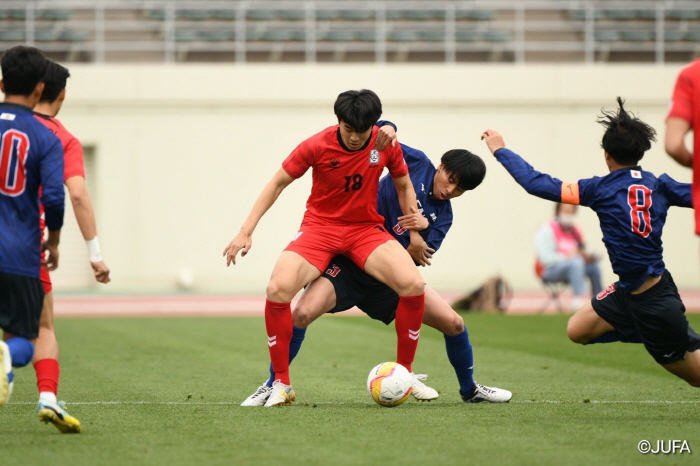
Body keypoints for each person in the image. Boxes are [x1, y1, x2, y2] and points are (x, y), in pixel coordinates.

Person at [241, 139, 512, 406]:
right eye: (450, 179)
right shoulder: (416, 162)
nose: (449, 189)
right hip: (348, 268)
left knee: (454, 324)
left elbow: (417, 258)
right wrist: (390, 127)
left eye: (459, 189)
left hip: (388, 280)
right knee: (301, 313)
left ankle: (468, 389)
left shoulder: (444, 217)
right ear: (440, 167)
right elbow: (378, 136)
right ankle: (273, 384)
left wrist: (423, 229)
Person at [224, 89, 429, 407]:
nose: (356, 139)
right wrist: (245, 231)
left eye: (362, 133)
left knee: (413, 284)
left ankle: (405, 373)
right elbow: (277, 183)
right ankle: (280, 384)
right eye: (349, 131)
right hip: (320, 229)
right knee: (278, 288)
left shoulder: (384, 143)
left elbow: (403, 183)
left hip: (365, 230)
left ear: (372, 127)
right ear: (339, 122)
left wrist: (415, 235)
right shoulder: (316, 145)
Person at [482, 97, 700, 388]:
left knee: (696, 378)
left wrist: (500, 150)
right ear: (641, 153)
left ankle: (666, 333)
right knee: (577, 329)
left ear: (607, 155)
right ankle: (657, 330)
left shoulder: (598, 188)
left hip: (655, 302)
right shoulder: (660, 185)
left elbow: (537, 183)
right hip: (629, 291)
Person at [29, 61, 111, 433]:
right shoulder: (60, 138)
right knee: (42, 326)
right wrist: (94, 255)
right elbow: (76, 195)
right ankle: (47, 397)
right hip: (26, 245)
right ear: (60, 93)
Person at [0, 46, 65, 407]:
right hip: (18, 253)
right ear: (41, 89)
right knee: (27, 338)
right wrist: (53, 241)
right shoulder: (44, 137)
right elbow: (54, 198)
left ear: (1, 83)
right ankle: (5, 356)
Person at [535, 202, 602, 310]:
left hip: (575, 269)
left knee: (594, 266)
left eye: (571, 212)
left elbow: (583, 248)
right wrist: (569, 256)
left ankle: (599, 301)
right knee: (576, 262)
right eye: (566, 211)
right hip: (549, 270)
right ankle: (578, 300)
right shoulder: (547, 229)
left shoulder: (575, 230)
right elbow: (546, 259)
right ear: (558, 211)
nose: (568, 215)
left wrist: (588, 256)